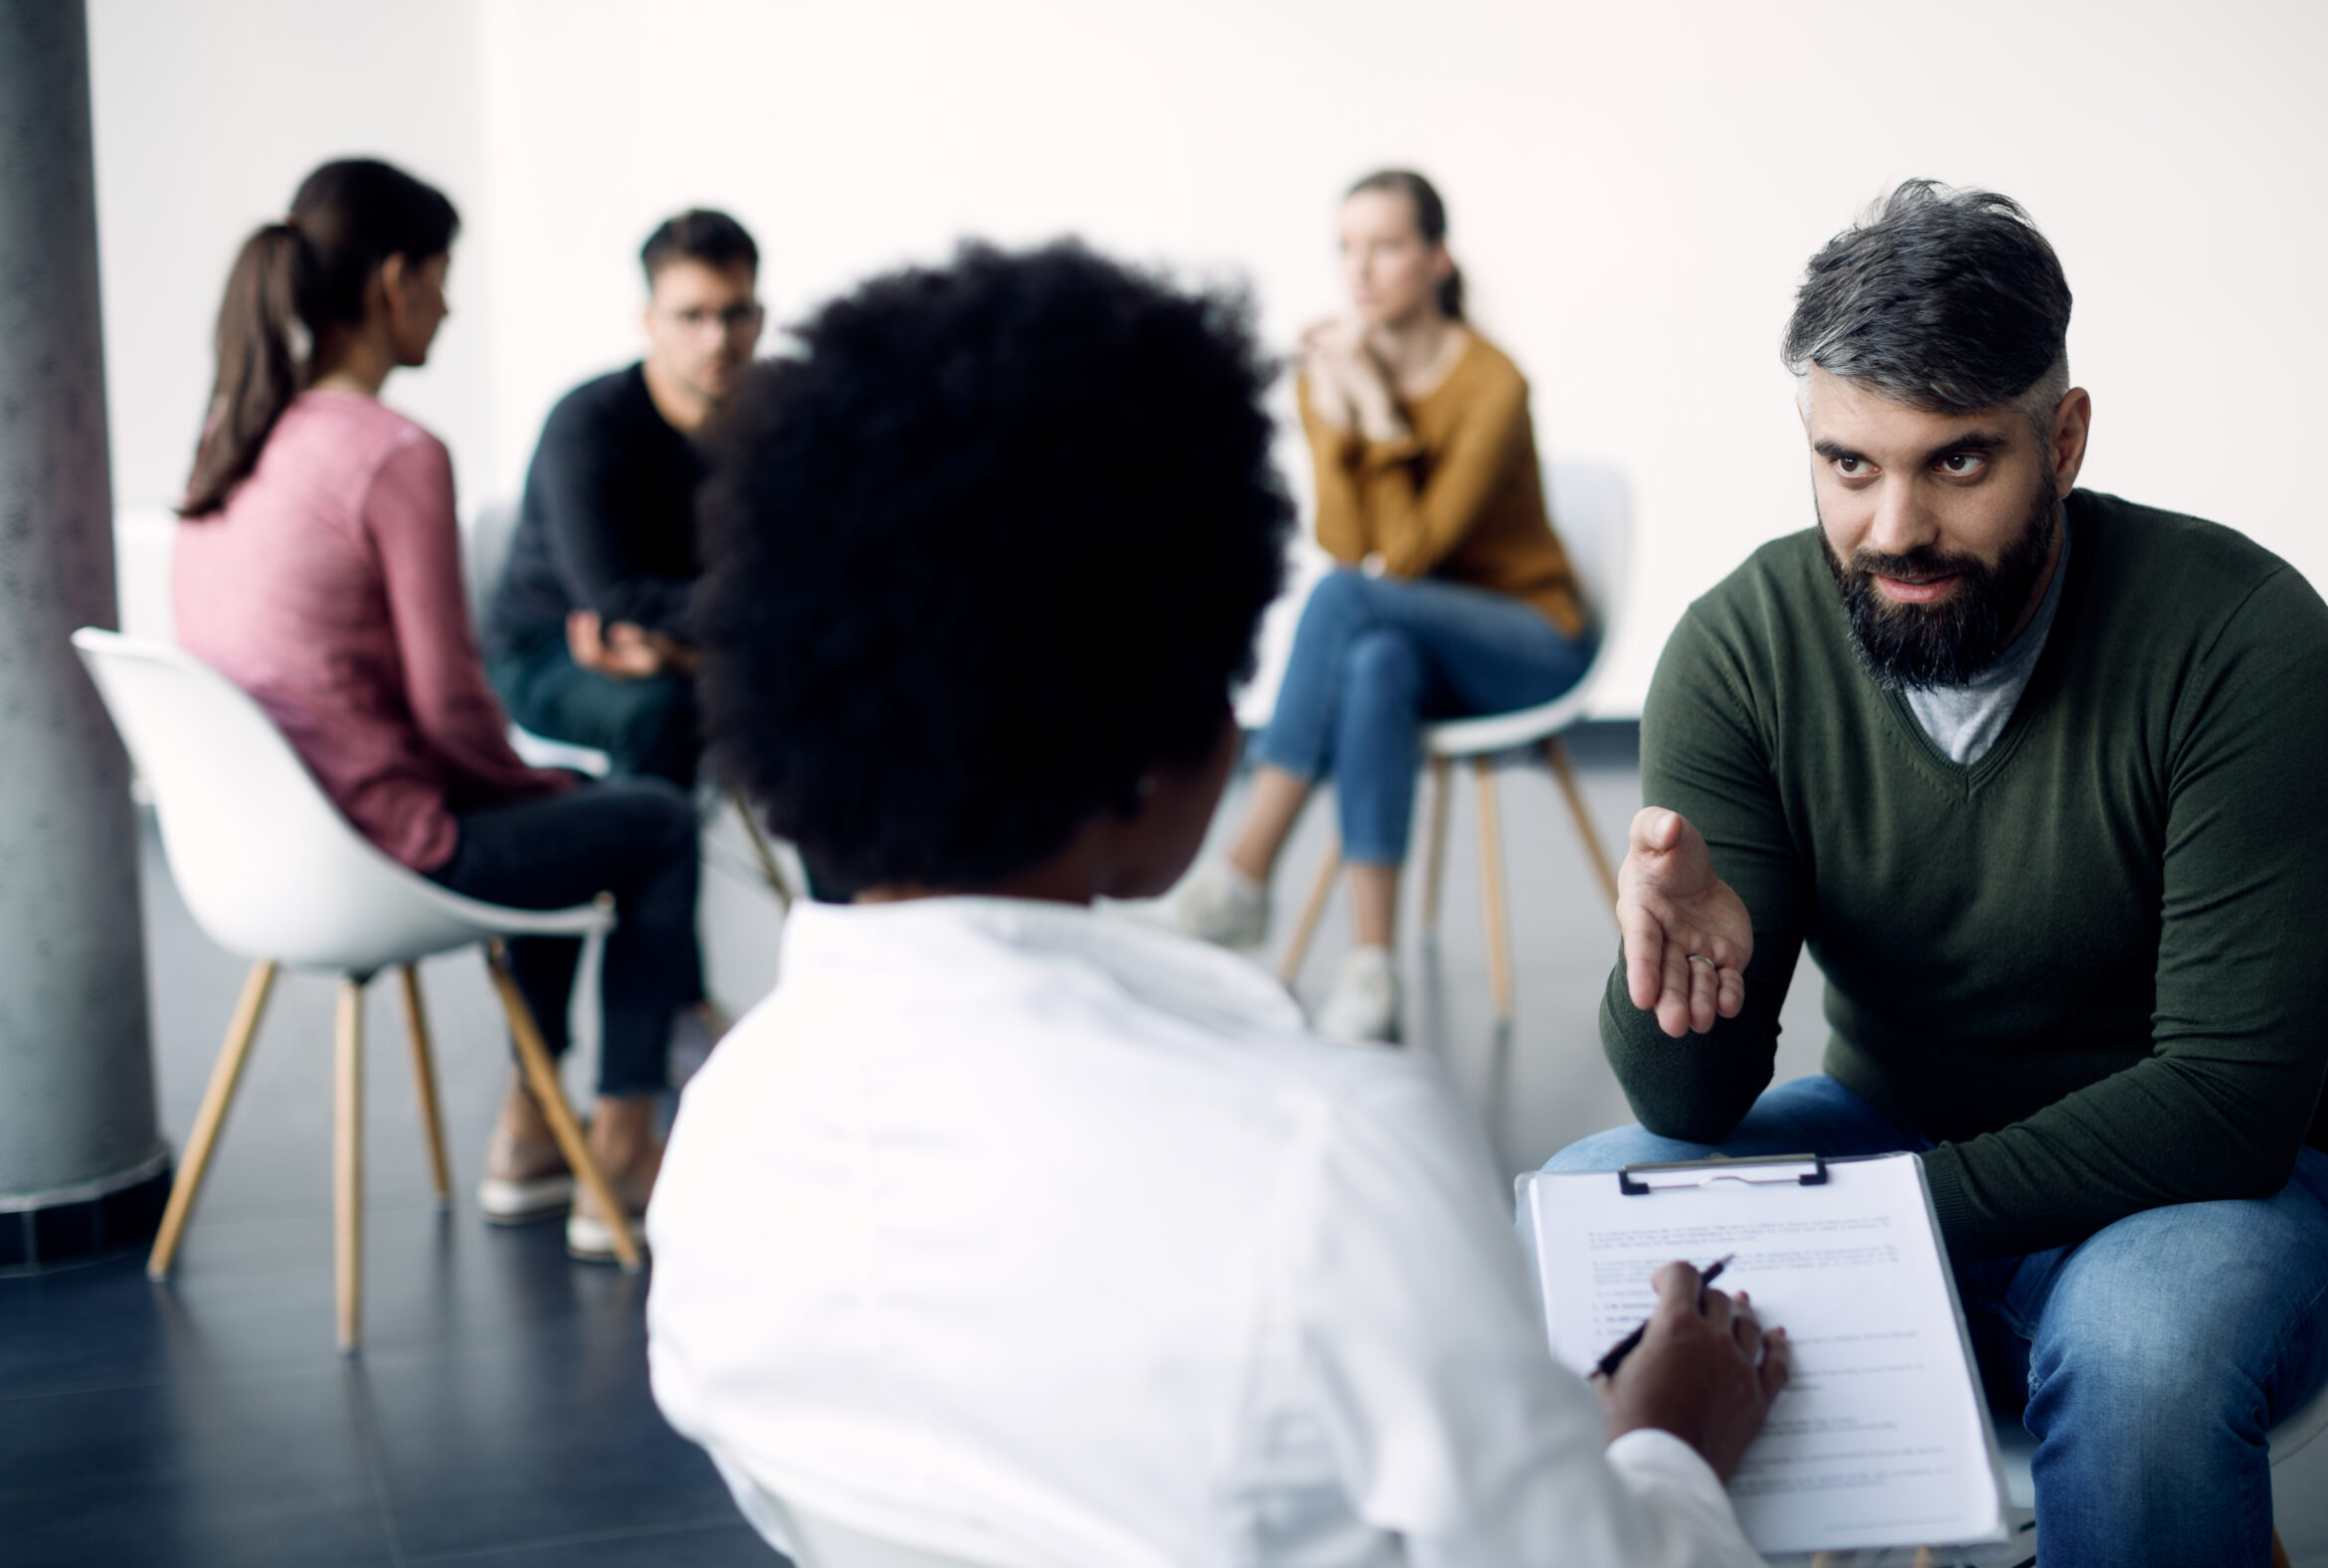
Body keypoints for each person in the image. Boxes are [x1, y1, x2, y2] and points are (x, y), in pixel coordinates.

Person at [646, 242, 1789, 1567]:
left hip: (1488, 633)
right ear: (1167, 740)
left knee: (1368, 653)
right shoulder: (1332, 1156)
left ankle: (1256, 875)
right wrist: (1664, 1442)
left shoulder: (725, 1132)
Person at [1546, 181, 2328, 1568]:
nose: (1892, 529)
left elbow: (2228, 1105)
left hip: (2203, 1190)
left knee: (2146, 1351)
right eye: (1849, 465)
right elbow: (1691, 1103)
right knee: (1585, 1205)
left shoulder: (2241, 634)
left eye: (1956, 463)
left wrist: (1871, 1221)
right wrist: (1672, 983)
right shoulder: (1741, 647)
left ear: (2064, 438)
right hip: (1896, 1134)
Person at [171, 158, 705, 1262]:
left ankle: (529, 1133)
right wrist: (546, 785)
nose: (452, 306)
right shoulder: (394, 453)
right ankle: (618, 1147)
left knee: (569, 814)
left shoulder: (233, 431)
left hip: (262, 854)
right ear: (395, 281)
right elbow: (456, 718)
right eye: (445, 276)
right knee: (645, 820)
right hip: (385, 847)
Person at [1164, 170, 1592, 1042]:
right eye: (1347, 248)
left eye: (1387, 246)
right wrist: (1331, 415)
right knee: (1373, 659)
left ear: (1437, 260)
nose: (1361, 271)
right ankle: (1372, 966)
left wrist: (1374, 414)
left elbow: (1401, 558)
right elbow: (1343, 535)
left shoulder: (1492, 383)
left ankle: (1244, 871)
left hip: (1527, 636)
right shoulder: (1336, 370)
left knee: (1350, 605)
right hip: (1416, 639)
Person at [480, 209, 765, 786]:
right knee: (663, 712)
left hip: (698, 637)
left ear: (759, 317)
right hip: (553, 649)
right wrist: (758, 628)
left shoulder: (773, 420)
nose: (717, 339)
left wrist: (704, 656)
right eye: (691, 316)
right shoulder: (587, 425)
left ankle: (846, 880)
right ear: (649, 321)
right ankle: (650, 872)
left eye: (735, 314)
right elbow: (617, 600)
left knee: (834, 694)